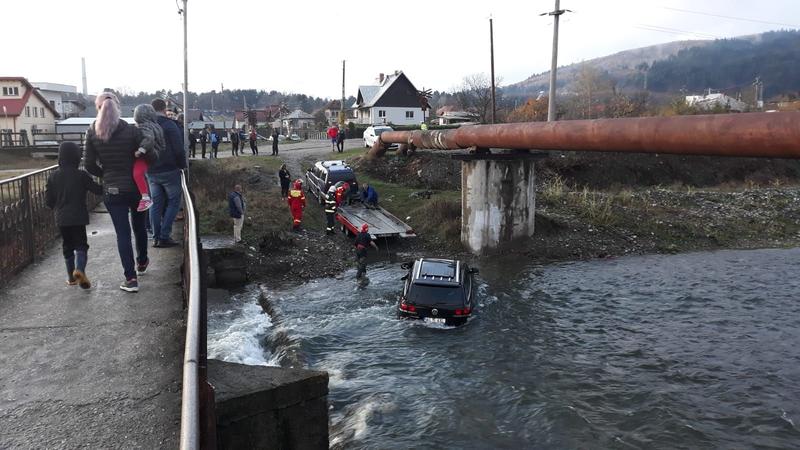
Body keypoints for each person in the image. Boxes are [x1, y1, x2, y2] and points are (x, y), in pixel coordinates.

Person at [85, 92, 150, 292]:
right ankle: (142, 261)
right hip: (135, 188)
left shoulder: (93, 132)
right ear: (119, 108)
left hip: (112, 189)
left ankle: (130, 279)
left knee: (122, 233)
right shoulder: (131, 130)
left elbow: (88, 164)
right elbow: (147, 151)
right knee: (139, 226)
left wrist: (105, 175)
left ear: (98, 108)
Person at [46, 141, 103, 288]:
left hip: (61, 217)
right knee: (81, 245)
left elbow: (48, 200)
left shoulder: (53, 176)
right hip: (78, 216)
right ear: (77, 157)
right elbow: (97, 190)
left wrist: (57, 208)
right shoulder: (81, 175)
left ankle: (71, 278)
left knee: (67, 246)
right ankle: (80, 270)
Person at [149, 98, 186, 248]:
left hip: (151, 171)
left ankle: (155, 236)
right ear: (165, 109)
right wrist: (182, 166)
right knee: (174, 202)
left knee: (155, 204)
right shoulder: (170, 125)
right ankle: (164, 236)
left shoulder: (147, 126)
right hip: (169, 170)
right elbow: (178, 148)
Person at [132, 104, 165, 212]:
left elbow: (148, 139)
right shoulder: (156, 126)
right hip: (156, 155)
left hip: (146, 155)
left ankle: (145, 197)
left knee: (137, 174)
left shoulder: (144, 126)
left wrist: (140, 150)